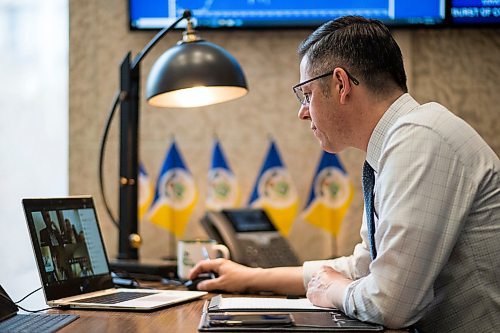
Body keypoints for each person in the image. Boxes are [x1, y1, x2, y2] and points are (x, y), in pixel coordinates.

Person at [189, 16, 500, 332]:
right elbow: (364, 268)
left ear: (340, 84)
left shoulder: (421, 139)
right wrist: (251, 277)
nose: (302, 112)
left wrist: (334, 290)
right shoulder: (402, 140)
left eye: (307, 94)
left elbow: (389, 303)